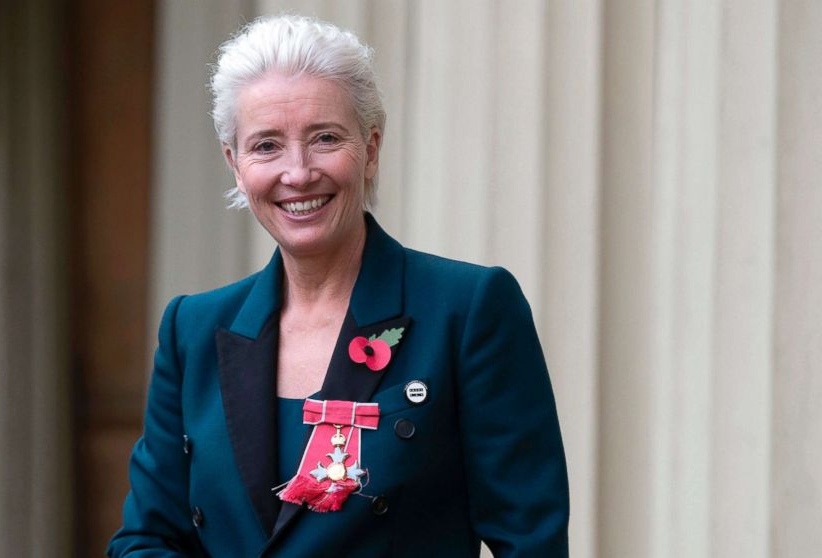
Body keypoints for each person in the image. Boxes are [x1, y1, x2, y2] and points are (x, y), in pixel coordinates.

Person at [108, 14, 568, 558]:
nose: (298, 172)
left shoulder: (467, 310)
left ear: (370, 149)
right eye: (266, 146)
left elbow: (531, 544)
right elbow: (147, 539)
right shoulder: (194, 330)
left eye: (325, 138)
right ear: (235, 165)